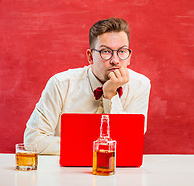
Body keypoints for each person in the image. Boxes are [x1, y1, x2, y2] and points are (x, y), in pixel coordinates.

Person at [24, 17, 151, 154]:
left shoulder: (140, 85)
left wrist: (110, 95)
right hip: (65, 172)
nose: (115, 60)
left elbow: (128, 143)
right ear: (90, 57)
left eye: (122, 51)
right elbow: (33, 141)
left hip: (116, 172)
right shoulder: (61, 84)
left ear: (129, 57)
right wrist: (93, 147)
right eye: (106, 51)